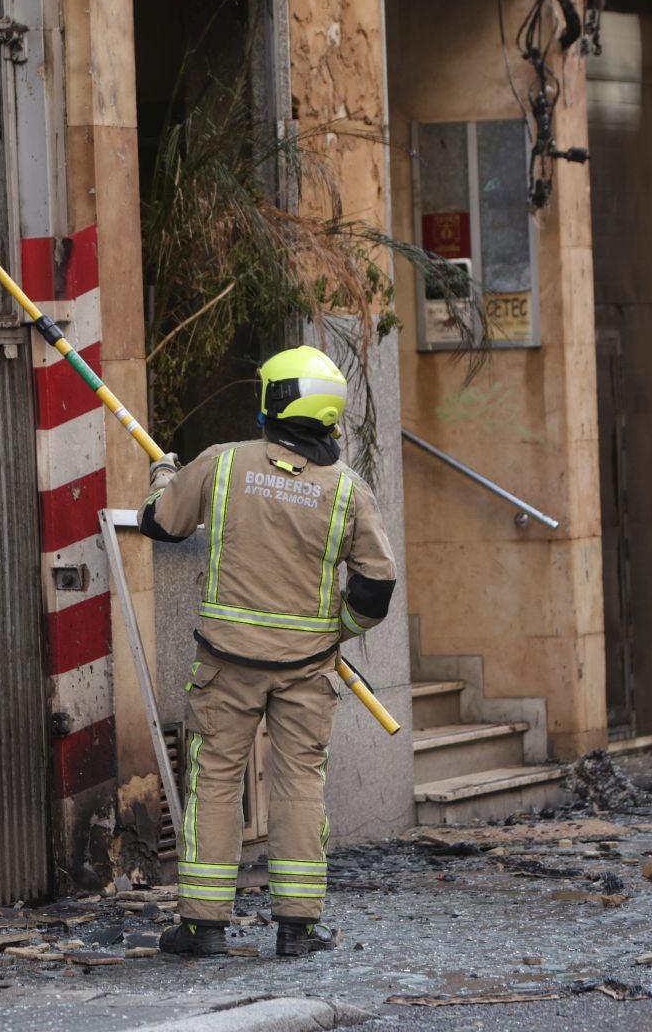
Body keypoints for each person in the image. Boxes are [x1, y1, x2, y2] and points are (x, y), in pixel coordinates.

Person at [137, 345, 397, 959]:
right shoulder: (346, 491)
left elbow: (161, 523)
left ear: (270, 402)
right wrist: (338, 630)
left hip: (225, 664)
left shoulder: (220, 466)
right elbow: (375, 588)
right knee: (301, 784)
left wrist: (163, 477)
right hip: (307, 669)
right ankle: (298, 929)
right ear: (328, 416)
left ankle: (204, 928)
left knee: (215, 783)